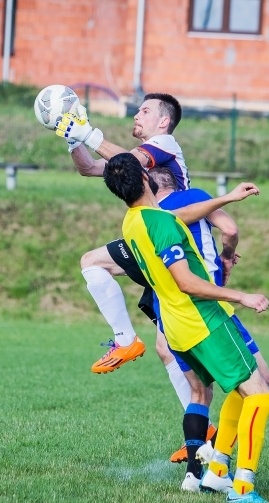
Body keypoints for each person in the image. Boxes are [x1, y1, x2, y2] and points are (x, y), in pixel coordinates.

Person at [102, 152, 269, 503]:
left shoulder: (133, 222)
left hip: (176, 328)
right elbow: (187, 282)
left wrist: (228, 198)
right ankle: (243, 490)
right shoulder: (161, 224)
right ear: (146, 179)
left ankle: (216, 472)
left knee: (239, 390)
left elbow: (177, 216)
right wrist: (240, 296)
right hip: (203, 320)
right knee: (260, 395)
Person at [149, 167, 269, 477]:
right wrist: (227, 257)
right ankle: (224, 470)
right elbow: (229, 229)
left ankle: (194, 475)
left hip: (170, 315)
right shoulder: (193, 197)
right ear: (175, 180)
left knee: (199, 393)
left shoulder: (144, 220)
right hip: (208, 308)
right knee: (260, 382)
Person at [55, 93, 188, 374]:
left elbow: (130, 163)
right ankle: (126, 340)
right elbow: (89, 168)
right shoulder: (143, 156)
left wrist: (87, 133)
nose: (137, 115)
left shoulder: (166, 143)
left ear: (164, 121)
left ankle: (245, 389)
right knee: (92, 262)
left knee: (172, 348)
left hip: (173, 244)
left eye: (145, 111)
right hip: (152, 241)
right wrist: (73, 139)